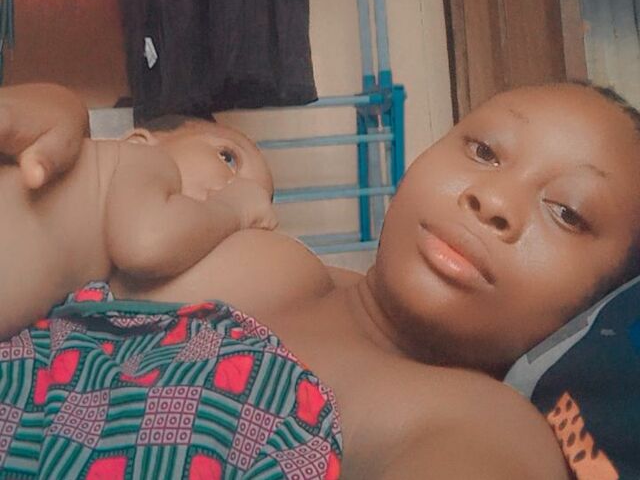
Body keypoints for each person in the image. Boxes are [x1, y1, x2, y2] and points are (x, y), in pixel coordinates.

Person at [1, 80, 640, 479]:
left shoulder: (483, 427)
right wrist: (68, 156)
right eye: (484, 150)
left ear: (601, 302)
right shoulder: (248, 253)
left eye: (567, 212)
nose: (492, 199)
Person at [0, 83, 275, 340]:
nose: (233, 189)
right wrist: (233, 209)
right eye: (228, 158)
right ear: (137, 141)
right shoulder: (145, 161)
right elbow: (147, 242)